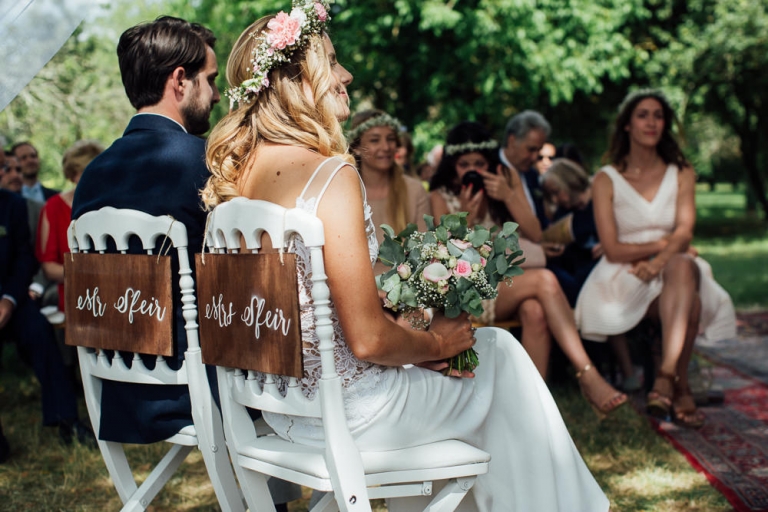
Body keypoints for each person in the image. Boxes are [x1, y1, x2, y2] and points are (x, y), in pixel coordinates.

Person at [203, 8, 610, 509]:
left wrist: (427, 348)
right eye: (331, 61)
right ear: (294, 81)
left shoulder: (236, 183)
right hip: (358, 413)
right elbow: (369, 340)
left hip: (284, 412)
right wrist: (435, 342)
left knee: (475, 375)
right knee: (502, 358)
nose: (346, 75)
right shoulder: (330, 174)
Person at [429, 121, 626, 409]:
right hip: (467, 289)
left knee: (535, 312)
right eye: (464, 164)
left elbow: (535, 234)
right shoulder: (440, 195)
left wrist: (508, 196)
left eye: (479, 163)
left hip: (505, 283)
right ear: (452, 165)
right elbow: (445, 256)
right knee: (545, 280)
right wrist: (466, 218)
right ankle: (587, 373)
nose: (471, 169)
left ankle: (532, 406)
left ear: (490, 163)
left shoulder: (503, 182)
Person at [575, 89, 737, 427]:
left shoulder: (682, 172)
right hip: (624, 275)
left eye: (658, 115)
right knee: (687, 300)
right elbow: (614, 248)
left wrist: (661, 259)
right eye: (643, 115)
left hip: (673, 270)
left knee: (683, 267)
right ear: (627, 126)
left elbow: (686, 232)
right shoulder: (606, 178)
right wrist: (664, 245)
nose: (652, 122)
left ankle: (664, 377)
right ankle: (680, 387)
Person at [0, 187, 92, 448]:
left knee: (40, 330)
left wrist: (9, 299)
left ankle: (67, 420)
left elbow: (23, 258)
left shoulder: (12, 205)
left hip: (10, 300)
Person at [346, 109, 430, 254]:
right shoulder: (345, 194)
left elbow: (426, 248)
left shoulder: (414, 190)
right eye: (375, 140)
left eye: (390, 139)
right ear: (356, 147)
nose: (385, 147)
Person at [36, 140, 103, 311]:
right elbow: (49, 268)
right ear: (72, 175)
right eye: (84, 172)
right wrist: (91, 274)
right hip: (74, 294)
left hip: (116, 292)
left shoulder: (111, 204)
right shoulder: (53, 207)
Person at [540, 157, 602, 306]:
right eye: (551, 195)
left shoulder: (600, 200)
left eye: (556, 192)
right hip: (574, 275)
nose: (555, 200)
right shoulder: (563, 213)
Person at [499, 110, 551, 228]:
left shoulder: (532, 175)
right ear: (512, 141)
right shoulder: (492, 170)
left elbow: (540, 218)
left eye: (538, 150)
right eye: (531, 149)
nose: (535, 157)